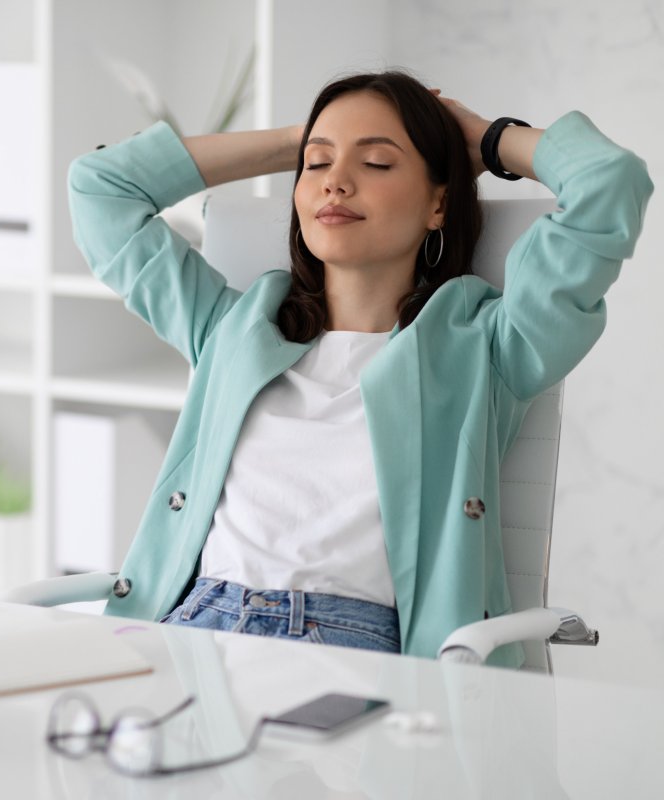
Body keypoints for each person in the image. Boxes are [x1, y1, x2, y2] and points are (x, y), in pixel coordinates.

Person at [67, 70, 652, 667]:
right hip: (194, 632)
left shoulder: (488, 348)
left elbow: (610, 181)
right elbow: (100, 189)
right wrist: (305, 138)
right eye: (316, 166)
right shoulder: (234, 328)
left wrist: (484, 139)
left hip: (358, 652)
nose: (337, 184)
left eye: (375, 163)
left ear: (438, 202)